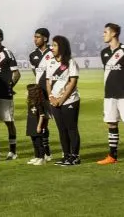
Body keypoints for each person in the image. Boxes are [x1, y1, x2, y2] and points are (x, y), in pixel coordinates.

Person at [97, 23, 124, 167]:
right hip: (109, 94)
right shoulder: (104, 53)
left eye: (105, 32)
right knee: (111, 123)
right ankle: (112, 155)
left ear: (114, 33)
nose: (103, 34)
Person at [46, 35, 81, 165]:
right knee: (61, 130)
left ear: (62, 47)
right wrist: (51, 97)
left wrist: (61, 99)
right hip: (54, 101)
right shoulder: (50, 62)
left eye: (55, 45)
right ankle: (66, 156)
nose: (52, 47)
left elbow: (73, 83)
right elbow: (48, 82)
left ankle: (75, 156)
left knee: (71, 128)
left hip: (70, 101)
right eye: (52, 45)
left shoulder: (71, 62)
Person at [0, 28, 20, 159]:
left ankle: (13, 151)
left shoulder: (7, 53)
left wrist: (10, 86)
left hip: (5, 94)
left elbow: (16, 73)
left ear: (1, 38)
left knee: (9, 122)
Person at [28, 27, 55, 163]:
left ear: (45, 38)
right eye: (34, 37)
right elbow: (36, 73)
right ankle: (46, 153)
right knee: (42, 122)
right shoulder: (33, 55)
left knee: (48, 121)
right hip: (39, 92)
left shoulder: (53, 51)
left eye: (37, 37)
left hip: (52, 92)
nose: (35, 39)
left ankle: (47, 153)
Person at [25, 83, 48, 165]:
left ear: (32, 92)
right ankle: (37, 157)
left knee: (39, 143)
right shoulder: (30, 102)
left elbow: (42, 116)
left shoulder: (39, 103)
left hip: (37, 125)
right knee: (34, 142)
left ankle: (42, 158)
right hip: (31, 124)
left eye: (27, 91)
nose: (26, 92)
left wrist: (39, 126)